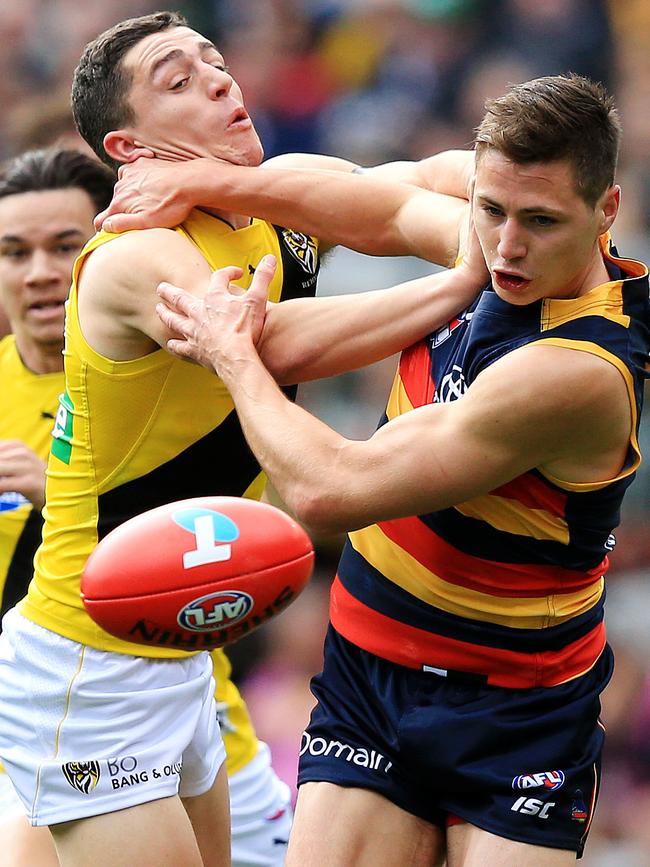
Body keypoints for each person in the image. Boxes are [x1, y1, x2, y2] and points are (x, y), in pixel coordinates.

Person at [0, 12, 486, 867]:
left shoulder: (274, 192)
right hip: (90, 662)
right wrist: (461, 285)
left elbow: (413, 182)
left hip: (181, 647)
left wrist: (518, 189)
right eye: (178, 82)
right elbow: (267, 342)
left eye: (215, 63)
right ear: (130, 146)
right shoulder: (133, 253)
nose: (220, 81)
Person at [150, 74, 650, 866]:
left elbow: (329, 489)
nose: (506, 246)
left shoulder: (579, 369)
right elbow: (369, 195)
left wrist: (233, 355)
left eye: (542, 221)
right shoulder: (497, 224)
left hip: (518, 712)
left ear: (607, 212)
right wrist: (204, 179)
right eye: (490, 210)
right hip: (371, 671)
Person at [0, 146, 297, 867]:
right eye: (15, 251)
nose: (40, 271)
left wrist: (73, 500)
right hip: (55, 730)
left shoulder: (178, 371)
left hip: (202, 727)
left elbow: (277, 518)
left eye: (64, 246)